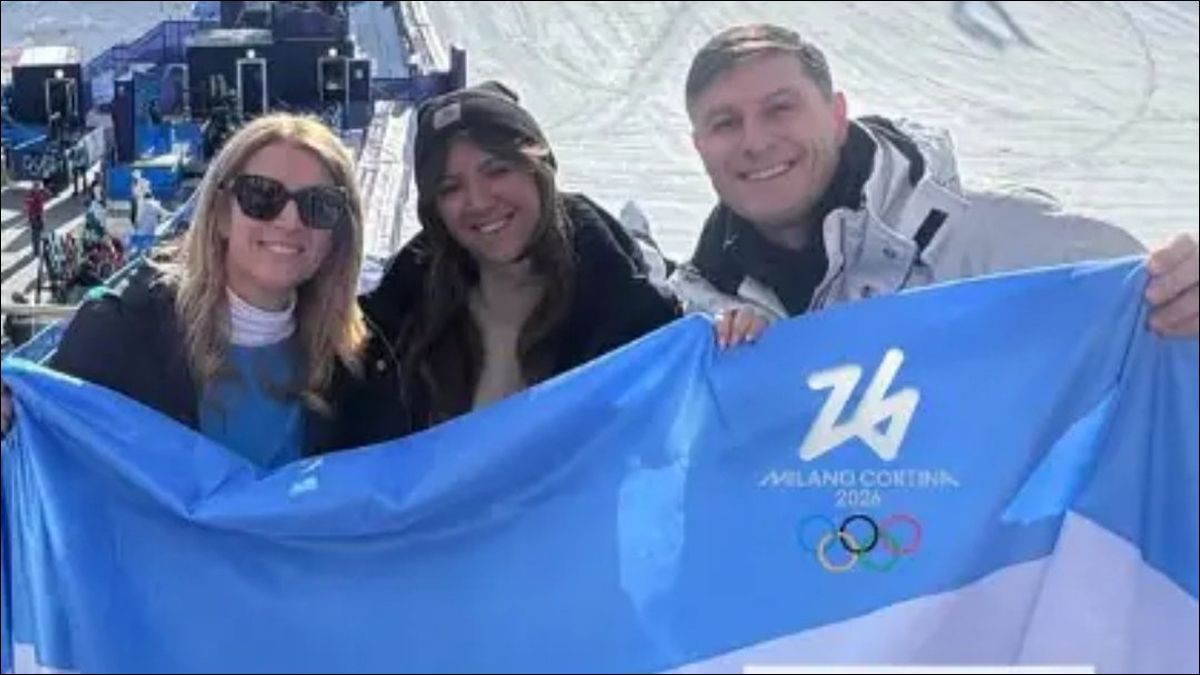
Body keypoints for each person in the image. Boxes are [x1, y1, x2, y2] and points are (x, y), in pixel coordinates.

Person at [670, 24, 1199, 346]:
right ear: (700, 147)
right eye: (725, 123)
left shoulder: (998, 243)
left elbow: (1151, 319)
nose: (755, 141)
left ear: (836, 117)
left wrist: (1184, 290)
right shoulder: (696, 318)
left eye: (780, 108)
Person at [2, 113, 369, 468]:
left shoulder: (350, 365)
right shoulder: (120, 335)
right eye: (261, 196)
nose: (289, 221)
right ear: (221, 213)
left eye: (319, 205)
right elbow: (46, 459)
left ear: (339, 232)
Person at [336, 82, 681, 445]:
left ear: (539, 168)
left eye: (497, 170)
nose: (479, 201)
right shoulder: (403, 319)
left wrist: (737, 338)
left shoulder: (624, 313)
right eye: (451, 188)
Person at [23, 181, 51, 257]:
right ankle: (37, 251)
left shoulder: (37, 195)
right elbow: (27, 205)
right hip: (35, 217)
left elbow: (48, 195)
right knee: (36, 235)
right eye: (35, 187)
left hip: (37, 217)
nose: (36, 188)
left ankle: (37, 252)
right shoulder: (33, 195)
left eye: (37, 187)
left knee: (36, 235)